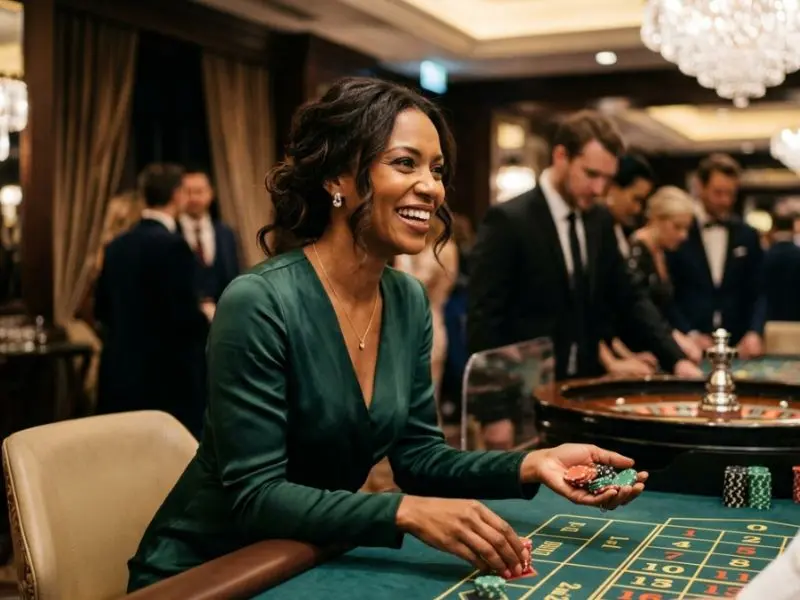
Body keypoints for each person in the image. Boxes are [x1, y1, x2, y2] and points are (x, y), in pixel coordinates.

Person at [127, 78, 648, 591]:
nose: (432, 186)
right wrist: (404, 511)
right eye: (406, 163)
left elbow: (419, 458)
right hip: (207, 570)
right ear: (337, 178)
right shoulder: (258, 301)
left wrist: (535, 463)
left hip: (307, 550)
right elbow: (256, 496)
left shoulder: (406, 299)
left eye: (437, 170)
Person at [468, 110, 700, 448]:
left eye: (607, 178)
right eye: (590, 174)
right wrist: (492, 411)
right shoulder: (509, 220)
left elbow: (629, 296)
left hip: (582, 390)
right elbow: (483, 321)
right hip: (524, 394)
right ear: (561, 156)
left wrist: (675, 358)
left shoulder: (599, 221)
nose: (599, 188)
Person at [94, 163, 210, 438]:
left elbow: (102, 309)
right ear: (177, 195)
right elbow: (180, 319)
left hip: (121, 373)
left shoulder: (116, 245)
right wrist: (205, 315)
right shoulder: (173, 246)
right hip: (165, 378)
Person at [666, 153, 765, 358]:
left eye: (731, 194)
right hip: (690, 346)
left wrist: (754, 332)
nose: (725, 201)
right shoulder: (679, 231)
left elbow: (759, 291)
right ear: (699, 187)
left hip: (736, 347)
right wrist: (689, 333)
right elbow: (668, 294)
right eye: (718, 193)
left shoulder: (746, 234)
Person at [599, 186, 704, 375]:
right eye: (677, 226)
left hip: (653, 352)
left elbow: (663, 312)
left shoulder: (662, 253)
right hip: (639, 354)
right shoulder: (636, 253)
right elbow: (633, 312)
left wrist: (680, 337)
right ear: (656, 219)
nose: (683, 236)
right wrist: (625, 356)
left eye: (686, 228)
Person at [178, 169, 240, 305]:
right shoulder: (172, 232)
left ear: (211, 193)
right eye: (188, 192)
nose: (193, 198)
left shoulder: (226, 233)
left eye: (199, 192)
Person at [601, 154, 656, 258]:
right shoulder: (594, 232)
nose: (638, 209)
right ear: (613, 188)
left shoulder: (617, 230)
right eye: (636, 199)